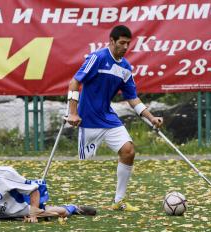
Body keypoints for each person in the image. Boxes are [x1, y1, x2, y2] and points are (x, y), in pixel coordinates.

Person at [66, 25, 163, 211]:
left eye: (128, 43)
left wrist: (151, 118)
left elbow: (132, 98)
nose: (125, 47)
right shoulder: (98, 58)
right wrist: (72, 112)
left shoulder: (125, 67)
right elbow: (74, 82)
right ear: (111, 41)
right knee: (83, 162)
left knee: (128, 150)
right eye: (122, 43)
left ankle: (118, 201)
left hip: (108, 117)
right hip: (88, 117)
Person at [0, 158, 96, 223]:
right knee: (50, 215)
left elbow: (34, 190)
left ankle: (73, 208)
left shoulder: (5, 174)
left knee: (58, 214)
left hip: (22, 205)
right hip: (0, 213)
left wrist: (34, 214)